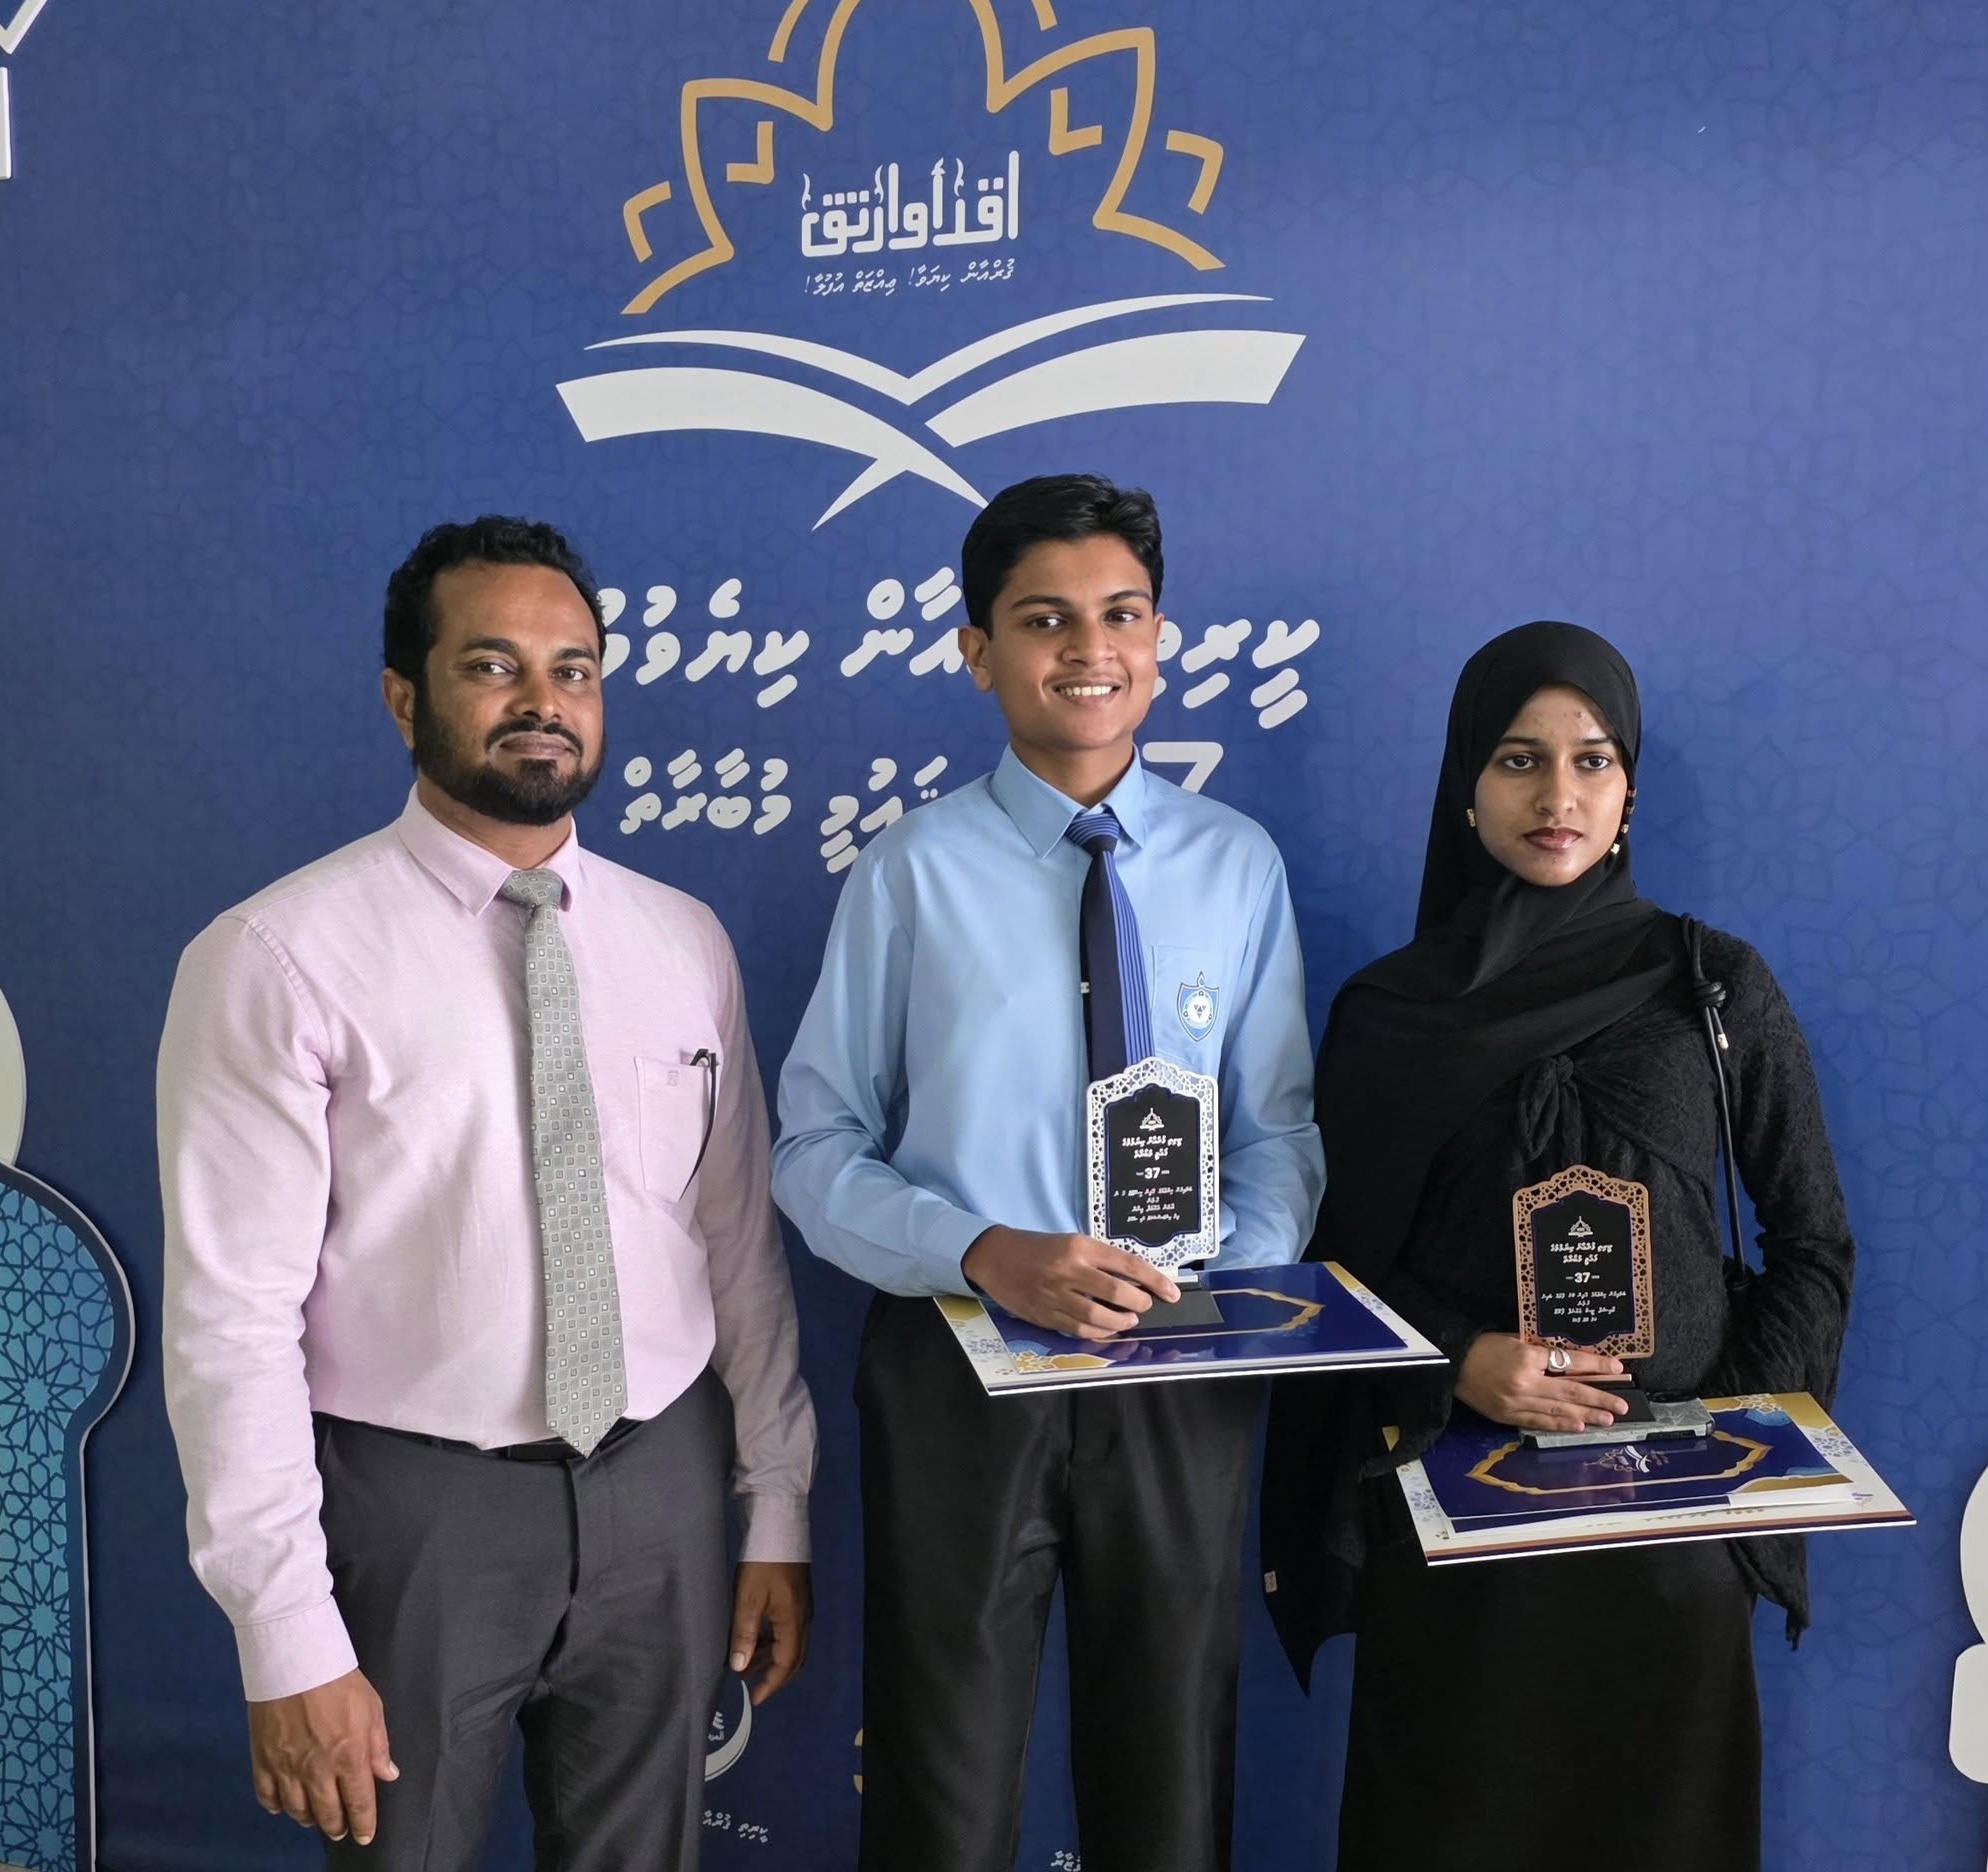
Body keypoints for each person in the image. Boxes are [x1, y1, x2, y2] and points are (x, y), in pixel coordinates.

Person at [158, 516, 816, 1870]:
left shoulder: (682, 940)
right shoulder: (275, 957)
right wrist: (284, 1631)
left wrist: (775, 1503)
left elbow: (734, 1240)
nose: (542, 701)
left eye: (573, 669)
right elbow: (231, 1320)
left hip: (663, 1484)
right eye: (491, 665)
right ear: (404, 696)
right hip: (414, 1514)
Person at [771, 473, 1326, 1872]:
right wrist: (981, 1251)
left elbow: (1277, 1132)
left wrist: (1216, 1275)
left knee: (1170, 1775)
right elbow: (815, 1148)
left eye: (1120, 614)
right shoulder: (909, 872)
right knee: (941, 1780)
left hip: (1179, 1367)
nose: (1089, 649)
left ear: (1160, 638)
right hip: (960, 1366)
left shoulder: (1235, 865)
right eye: (1043, 619)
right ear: (978, 651)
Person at [1259, 621, 1854, 1872]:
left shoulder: (1712, 985)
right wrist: (1458, 1358)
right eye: (1519, 759)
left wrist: (1726, 1452)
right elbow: (1331, 1266)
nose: (1557, 795)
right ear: (1466, 786)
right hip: (1458, 1523)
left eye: (1591, 758)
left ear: (1628, 787)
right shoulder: (1391, 1012)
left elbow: (1811, 1241)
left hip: (1669, 1546)